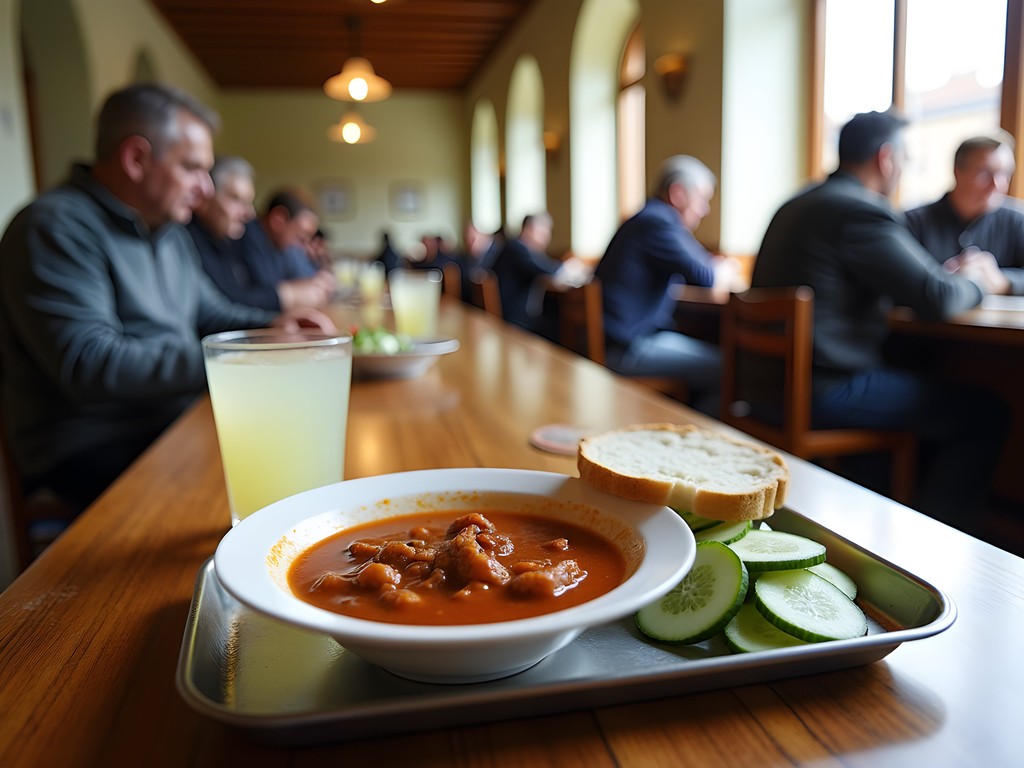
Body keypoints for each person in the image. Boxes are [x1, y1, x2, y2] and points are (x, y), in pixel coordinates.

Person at [0, 83, 335, 516]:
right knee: (259, 495)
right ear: (136, 159)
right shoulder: (53, 227)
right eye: (193, 169)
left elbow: (212, 312)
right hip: (95, 442)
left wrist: (275, 328)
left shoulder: (169, 231)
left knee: (303, 450)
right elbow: (90, 364)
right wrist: (244, 356)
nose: (205, 189)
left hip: (173, 419)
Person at [751, 109, 1010, 527]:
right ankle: (935, 542)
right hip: (820, 390)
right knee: (987, 414)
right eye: (906, 159)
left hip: (764, 383)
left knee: (912, 375)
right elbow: (938, 296)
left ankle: (883, 514)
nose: (904, 170)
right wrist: (981, 279)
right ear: (886, 158)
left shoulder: (796, 203)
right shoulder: (860, 211)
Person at [594, 155, 740, 411]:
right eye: (702, 199)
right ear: (677, 193)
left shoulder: (644, 218)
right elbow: (705, 276)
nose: (704, 209)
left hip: (616, 340)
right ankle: (693, 442)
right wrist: (726, 267)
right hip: (626, 349)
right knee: (727, 368)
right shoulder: (658, 221)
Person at [905, 133, 1023, 294]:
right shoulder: (913, 222)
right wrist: (944, 278)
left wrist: (1004, 282)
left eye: (1005, 174)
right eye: (985, 173)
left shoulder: (1018, 221)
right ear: (957, 171)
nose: (998, 184)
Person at [235, 189, 337, 310]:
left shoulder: (280, 245)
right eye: (301, 237)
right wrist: (292, 294)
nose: (304, 247)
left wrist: (316, 280)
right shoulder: (245, 237)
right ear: (278, 220)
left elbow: (301, 276)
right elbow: (253, 296)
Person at [491, 212, 586, 338]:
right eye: (543, 230)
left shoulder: (519, 248)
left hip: (511, 314)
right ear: (528, 229)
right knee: (562, 327)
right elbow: (545, 270)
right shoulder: (516, 248)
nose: (547, 236)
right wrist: (568, 267)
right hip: (513, 318)